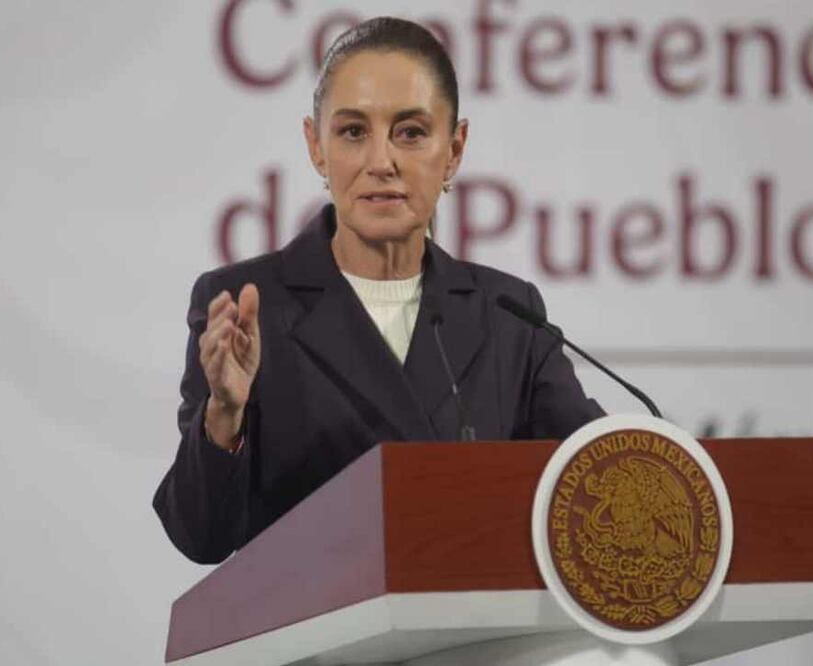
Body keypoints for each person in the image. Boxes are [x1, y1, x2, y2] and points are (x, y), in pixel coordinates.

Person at [153, 17, 603, 564]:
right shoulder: (246, 305)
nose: (381, 162)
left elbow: (598, 480)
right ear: (316, 148)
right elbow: (202, 537)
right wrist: (224, 413)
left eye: (410, 132)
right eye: (352, 132)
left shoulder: (509, 316)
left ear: (455, 149)